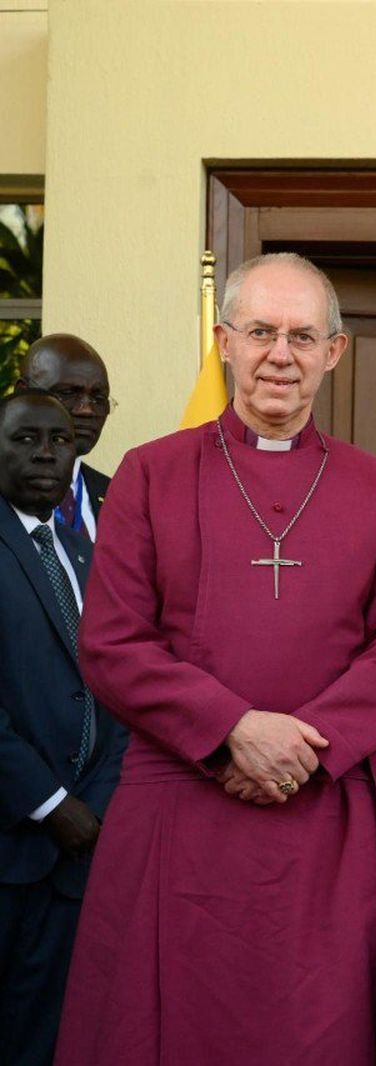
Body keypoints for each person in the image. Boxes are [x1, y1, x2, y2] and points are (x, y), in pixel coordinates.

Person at [55, 253, 376, 1064]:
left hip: (325, 811)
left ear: (334, 354)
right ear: (224, 343)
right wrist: (232, 729)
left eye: (304, 336)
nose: (281, 355)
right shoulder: (150, 476)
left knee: (317, 1032)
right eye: (261, 332)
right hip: (180, 806)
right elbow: (113, 642)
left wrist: (301, 745)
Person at [0, 390, 125, 1066]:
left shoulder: (85, 548)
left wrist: (95, 804)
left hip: (75, 856)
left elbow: (116, 686)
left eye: (58, 440)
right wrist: (52, 805)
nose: (46, 453)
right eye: (25, 439)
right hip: (16, 838)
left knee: (44, 1042)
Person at [18, 335, 115, 539]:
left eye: (98, 398)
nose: (87, 410)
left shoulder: (114, 494)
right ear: (23, 393)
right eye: (69, 393)